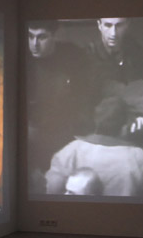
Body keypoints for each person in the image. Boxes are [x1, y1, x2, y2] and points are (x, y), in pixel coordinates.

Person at [25, 20, 93, 191]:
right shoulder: (22, 59)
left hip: (65, 133)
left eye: (41, 37)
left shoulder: (73, 56)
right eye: (30, 36)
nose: (34, 44)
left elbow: (86, 96)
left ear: (54, 36)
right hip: (32, 135)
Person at [44, 97, 143, 197]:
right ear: (125, 125)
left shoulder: (71, 151)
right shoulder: (140, 157)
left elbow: (51, 190)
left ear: (96, 120)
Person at [88, 17, 143, 97]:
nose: (113, 33)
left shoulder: (139, 54)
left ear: (127, 25)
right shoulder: (88, 57)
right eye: (108, 25)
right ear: (99, 25)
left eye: (119, 25)